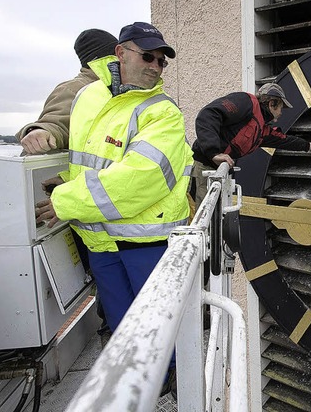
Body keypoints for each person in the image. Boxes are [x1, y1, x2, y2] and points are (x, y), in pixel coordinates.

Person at [34, 21, 192, 399]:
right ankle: (136, 390)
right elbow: (79, 150)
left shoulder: (163, 111)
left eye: (162, 61)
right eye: (148, 56)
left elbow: (140, 179)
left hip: (147, 242)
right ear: (120, 53)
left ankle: (169, 386)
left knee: (157, 330)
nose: (156, 66)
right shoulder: (87, 95)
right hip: (99, 239)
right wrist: (43, 133)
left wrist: (66, 201)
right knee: (123, 325)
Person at [17, 28, 118, 346]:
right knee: (109, 287)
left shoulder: (109, 88)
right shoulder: (79, 88)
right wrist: (39, 130)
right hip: (90, 210)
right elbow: (55, 120)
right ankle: (112, 341)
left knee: (114, 284)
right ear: (106, 54)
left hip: (105, 204)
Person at [191, 83, 311, 207]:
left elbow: (284, 140)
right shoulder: (245, 102)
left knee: (215, 212)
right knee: (204, 212)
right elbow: (209, 114)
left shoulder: (262, 129)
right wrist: (214, 152)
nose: (281, 113)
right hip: (204, 166)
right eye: (281, 107)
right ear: (272, 103)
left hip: (219, 170)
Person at [16, 29, 118, 154]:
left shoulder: (113, 89)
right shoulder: (75, 88)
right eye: (118, 54)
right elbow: (56, 122)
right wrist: (42, 131)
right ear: (107, 58)